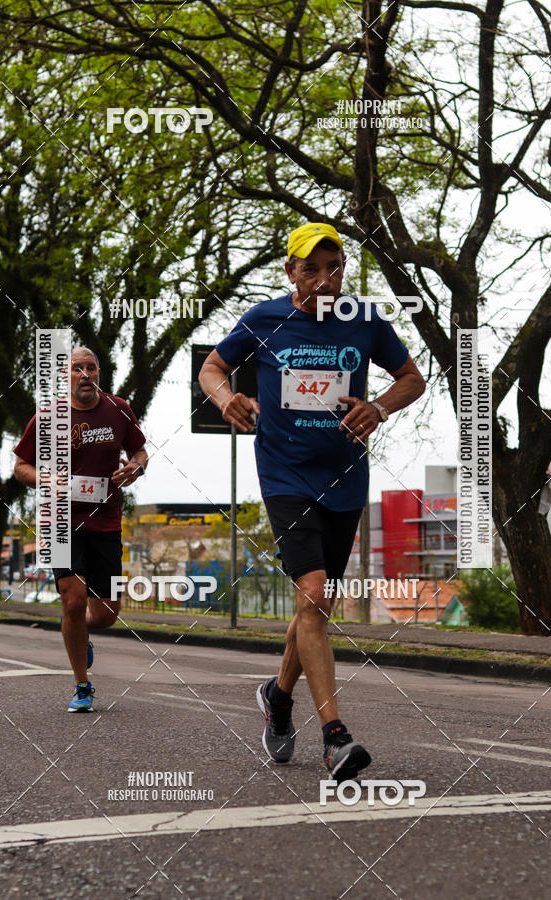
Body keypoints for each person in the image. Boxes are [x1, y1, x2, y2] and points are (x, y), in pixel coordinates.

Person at [199, 222, 426, 781]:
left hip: (345, 479)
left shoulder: (366, 322)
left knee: (311, 608)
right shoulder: (264, 319)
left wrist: (378, 406)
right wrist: (227, 399)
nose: (326, 280)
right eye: (312, 269)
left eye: (335, 268)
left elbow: (412, 378)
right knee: (316, 594)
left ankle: (278, 697)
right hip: (284, 475)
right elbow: (213, 367)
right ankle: (335, 739)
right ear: (290, 271)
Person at [14, 346, 148, 712]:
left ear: (99, 373)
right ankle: (82, 685)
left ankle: (82, 632)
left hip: (106, 520)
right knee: (73, 599)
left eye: (90, 367)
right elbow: (20, 465)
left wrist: (135, 469)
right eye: (77, 368)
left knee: (105, 613)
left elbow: (139, 452)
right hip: (60, 519)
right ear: (65, 376)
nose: (84, 374)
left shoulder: (119, 409)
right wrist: (45, 479)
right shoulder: (49, 416)